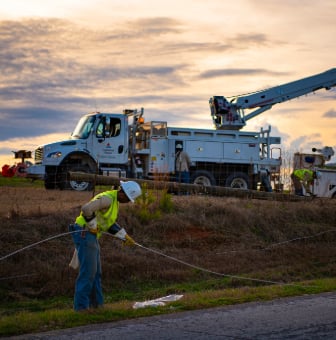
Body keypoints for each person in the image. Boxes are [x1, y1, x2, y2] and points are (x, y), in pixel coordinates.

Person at [69, 180, 142, 312]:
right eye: (128, 199)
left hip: (90, 236)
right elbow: (86, 209)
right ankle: (81, 309)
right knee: (88, 273)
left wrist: (124, 236)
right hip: (84, 233)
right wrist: (92, 225)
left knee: (96, 273)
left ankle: (97, 307)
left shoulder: (115, 201)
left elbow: (108, 223)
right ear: (123, 193)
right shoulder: (108, 199)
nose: (127, 202)